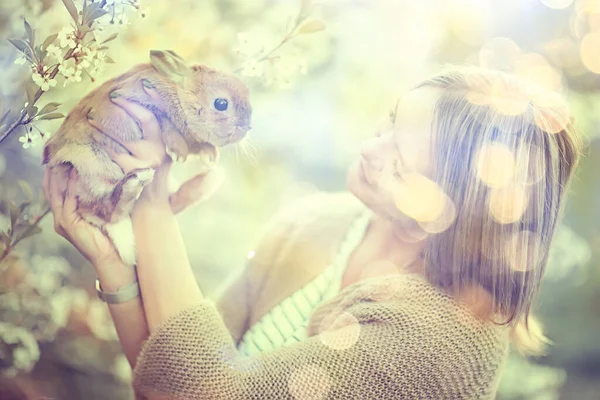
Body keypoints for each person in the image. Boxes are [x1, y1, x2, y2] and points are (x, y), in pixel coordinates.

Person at [44, 66, 582, 399]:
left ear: (458, 212)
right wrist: (115, 271)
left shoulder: (441, 345)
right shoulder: (316, 223)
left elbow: (209, 390)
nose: (370, 149)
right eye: (389, 123)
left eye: (399, 162)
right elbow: (170, 376)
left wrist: (152, 198)